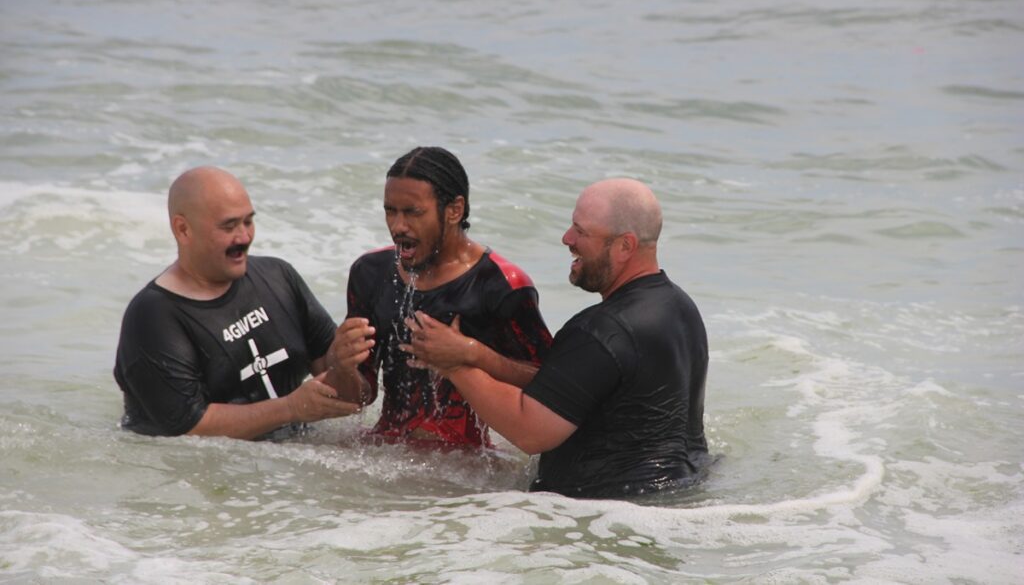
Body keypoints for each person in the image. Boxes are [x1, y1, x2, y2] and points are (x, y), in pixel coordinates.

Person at [403, 178, 710, 498]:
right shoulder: (679, 307)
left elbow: (529, 432)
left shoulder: (602, 331)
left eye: (581, 231)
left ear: (625, 246)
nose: (567, 238)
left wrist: (453, 365)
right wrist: (475, 354)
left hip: (608, 509)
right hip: (679, 490)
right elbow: (563, 389)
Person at [113, 166, 362, 439]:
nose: (244, 238)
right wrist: (290, 408)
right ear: (183, 229)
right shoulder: (153, 316)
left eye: (248, 222)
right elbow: (188, 427)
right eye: (229, 226)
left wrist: (343, 363)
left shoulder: (278, 277)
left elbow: (339, 389)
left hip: (292, 455)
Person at [330, 146, 552, 447]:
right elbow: (360, 397)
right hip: (383, 454)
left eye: (413, 212)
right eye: (390, 211)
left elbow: (548, 383)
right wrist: (342, 366)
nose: (398, 226)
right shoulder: (369, 273)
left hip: (464, 473)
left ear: (454, 210)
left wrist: (471, 353)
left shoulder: (500, 284)